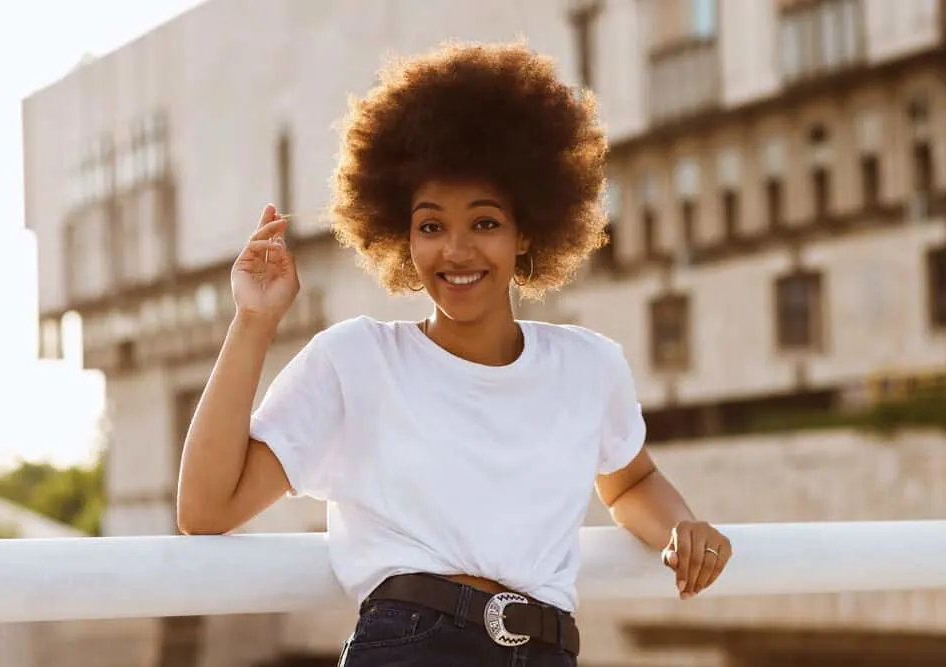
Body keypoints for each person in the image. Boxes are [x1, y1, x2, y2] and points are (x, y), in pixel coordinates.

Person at [177, 42, 732, 667]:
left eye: (486, 223)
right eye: (432, 225)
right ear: (400, 234)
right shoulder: (356, 360)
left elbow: (632, 482)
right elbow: (206, 508)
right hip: (409, 647)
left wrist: (682, 529)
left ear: (527, 232)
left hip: (548, 649)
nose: (457, 251)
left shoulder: (590, 367)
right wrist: (254, 320)